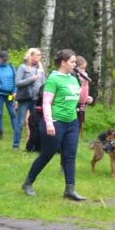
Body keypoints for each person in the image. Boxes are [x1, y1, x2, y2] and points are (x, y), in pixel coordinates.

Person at [21, 49, 86, 201]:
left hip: (72, 122)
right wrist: (49, 123)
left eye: (75, 62)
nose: (75, 64)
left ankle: (70, 190)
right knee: (47, 155)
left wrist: (84, 85)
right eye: (72, 62)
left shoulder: (73, 78)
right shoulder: (53, 79)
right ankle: (28, 183)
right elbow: (46, 102)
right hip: (55, 122)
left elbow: (80, 100)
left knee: (70, 156)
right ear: (63, 63)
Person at [15, 48, 46, 149]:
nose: (39, 57)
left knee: (36, 122)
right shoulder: (22, 67)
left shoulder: (39, 69)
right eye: (37, 55)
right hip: (24, 98)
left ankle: (34, 145)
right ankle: (16, 145)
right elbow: (18, 83)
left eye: (40, 55)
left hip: (36, 99)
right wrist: (31, 79)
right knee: (20, 122)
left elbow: (43, 83)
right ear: (31, 55)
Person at [0, 50, 18, 143]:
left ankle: (16, 132)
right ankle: (0, 132)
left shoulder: (11, 67)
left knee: (13, 113)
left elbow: (15, 80)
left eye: (6, 59)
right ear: (0, 58)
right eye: (4, 59)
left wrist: (15, 92)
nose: (5, 61)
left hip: (10, 95)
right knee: (0, 113)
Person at [74, 55, 93, 129]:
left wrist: (88, 98)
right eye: (82, 68)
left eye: (84, 68)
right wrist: (83, 83)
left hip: (81, 110)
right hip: (75, 108)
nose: (83, 71)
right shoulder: (74, 78)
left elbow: (84, 94)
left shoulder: (84, 78)